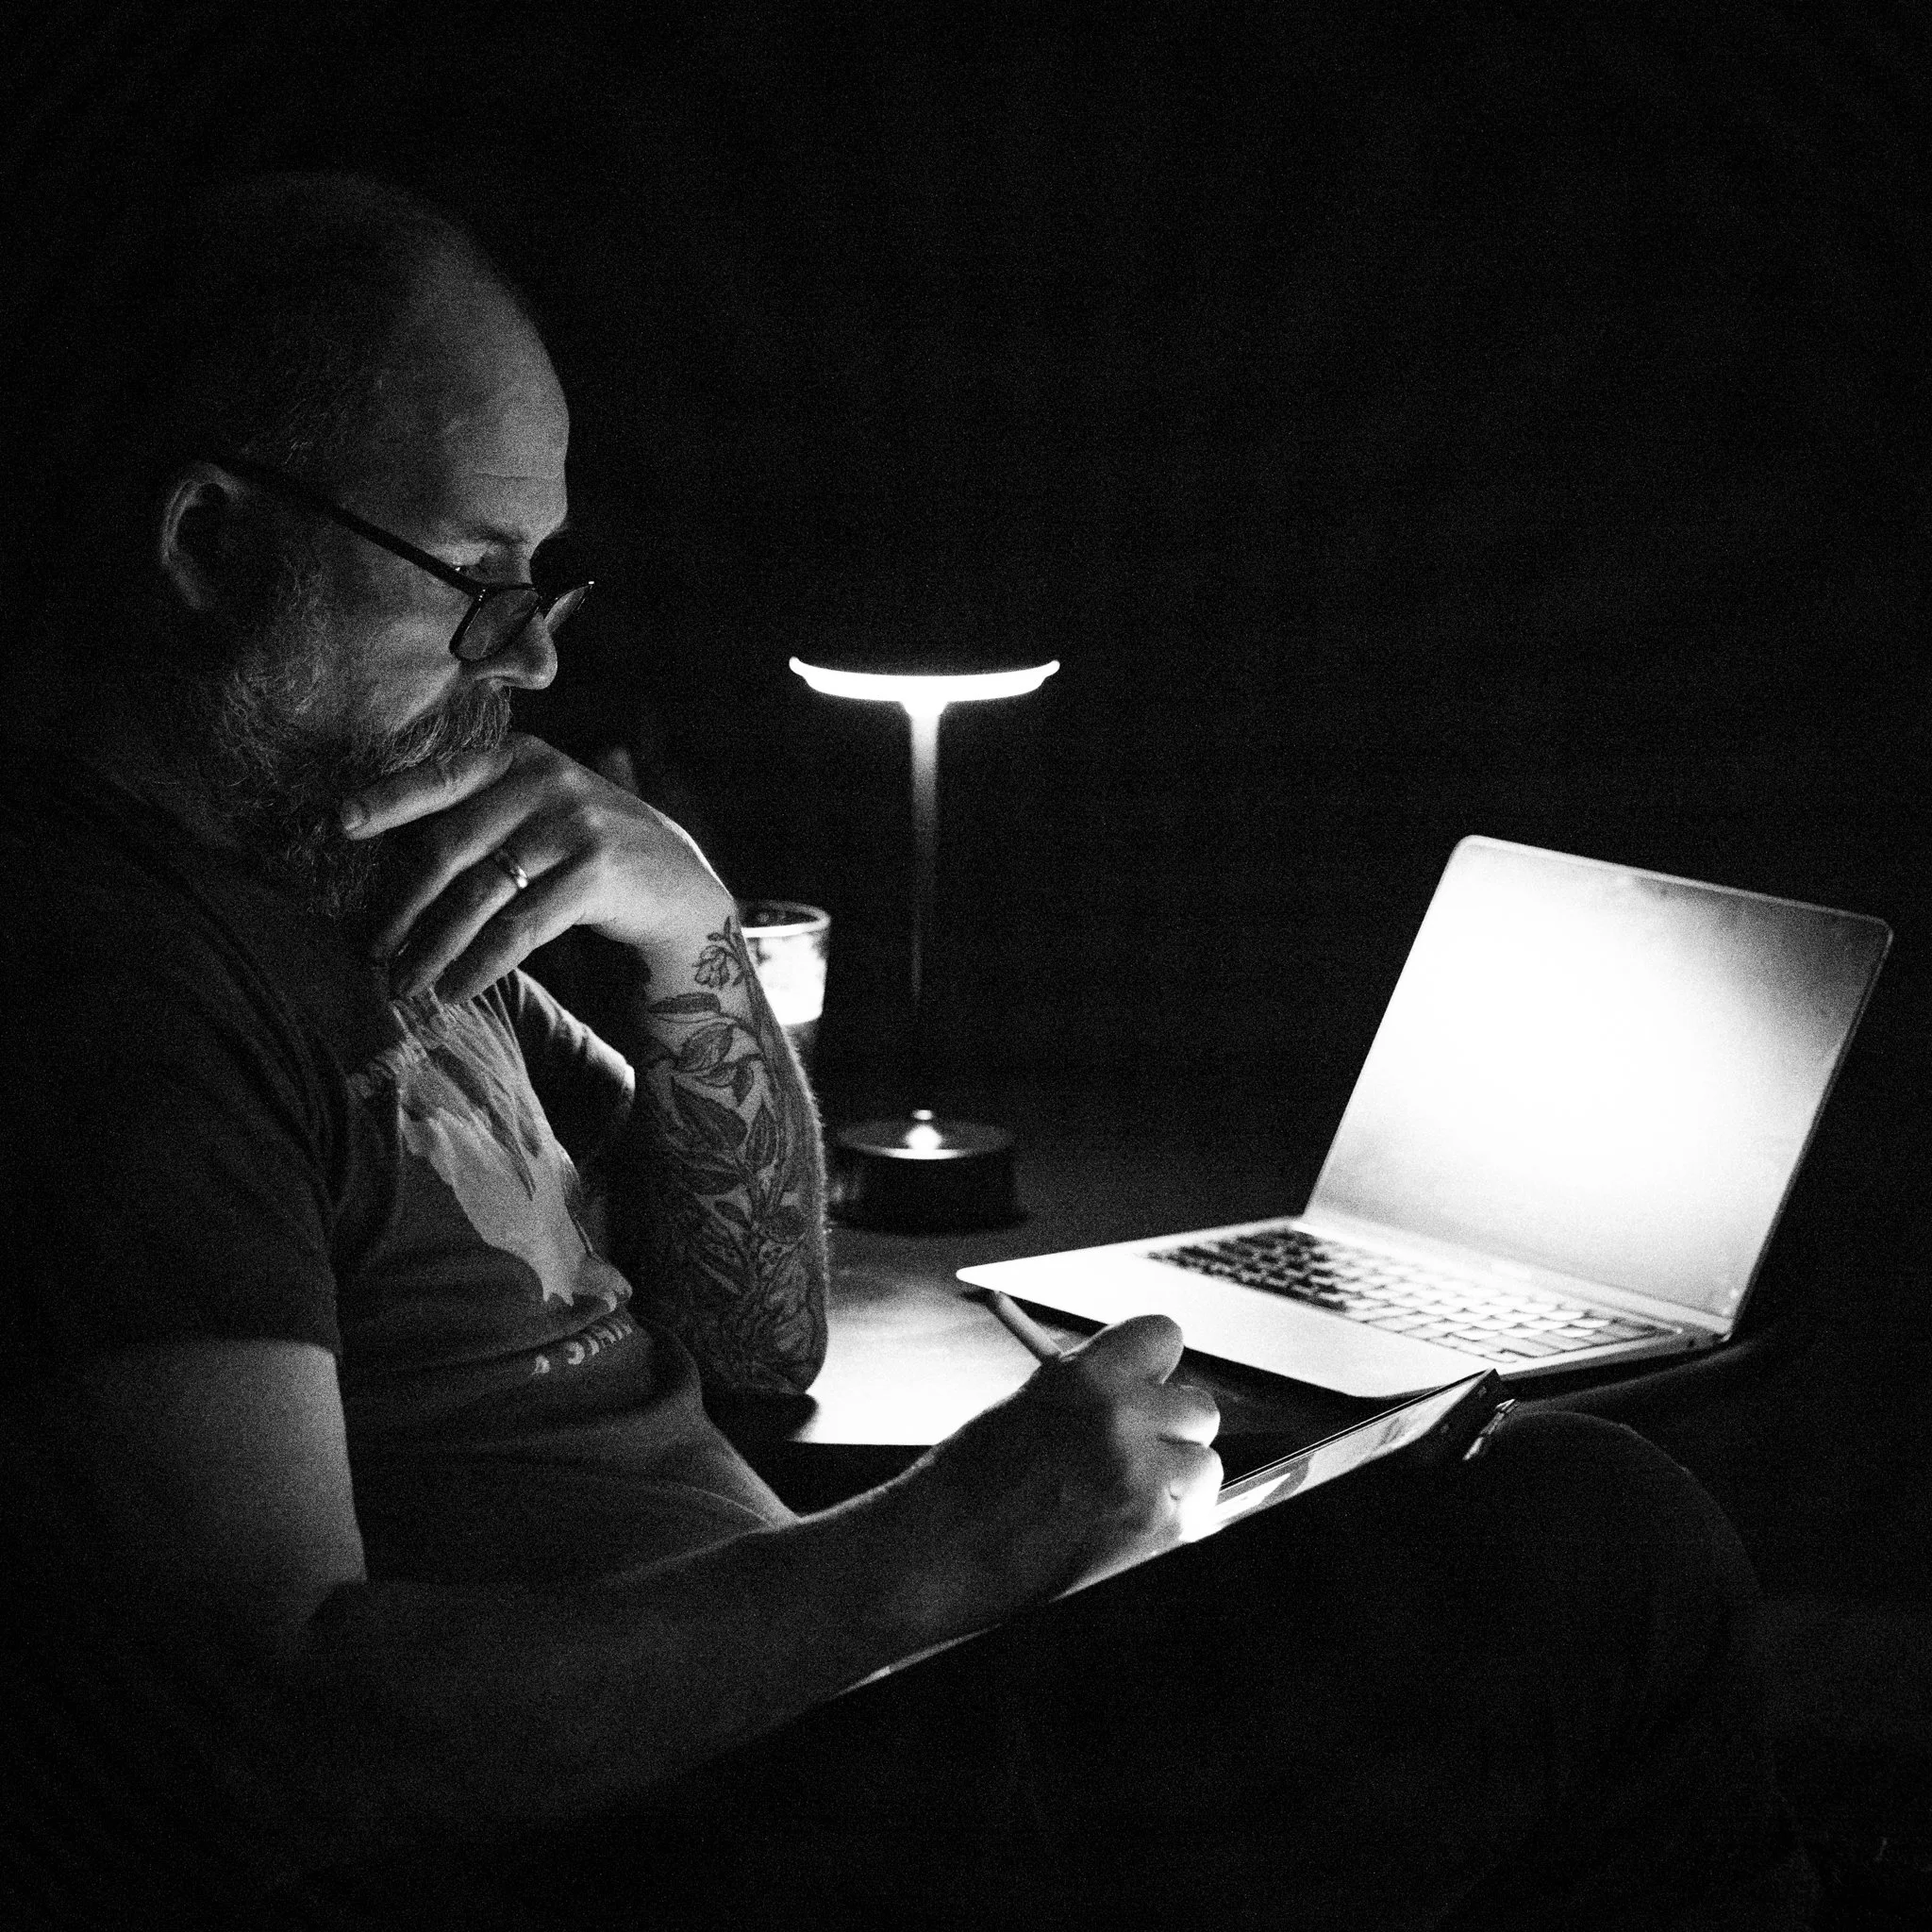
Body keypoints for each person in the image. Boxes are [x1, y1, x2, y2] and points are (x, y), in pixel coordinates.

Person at [0, 174, 1816, 1931]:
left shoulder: (363, 864)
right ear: (211, 546)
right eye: (477, 579)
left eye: (547, 580)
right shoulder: (112, 992)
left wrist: (693, 931)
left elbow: (755, 1331)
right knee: (1600, 1556)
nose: (533, 661)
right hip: (692, 1846)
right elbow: (284, 1727)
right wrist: (952, 1546)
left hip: (834, 1717)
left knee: (1505, 1522)